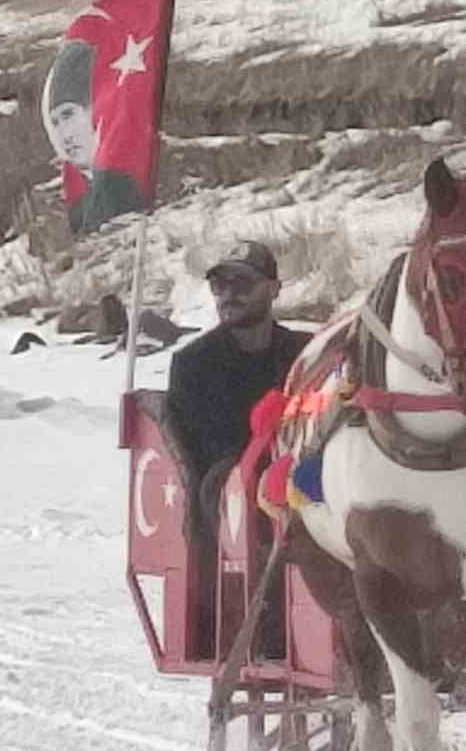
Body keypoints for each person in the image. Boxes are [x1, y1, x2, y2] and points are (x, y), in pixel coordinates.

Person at [167, 240, 312, 540]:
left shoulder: (304, 354)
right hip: (227, 497)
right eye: (219, 285)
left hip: (301, 475)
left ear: (273, 289)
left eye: (243, 284)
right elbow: (207, 452)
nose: (229, 295)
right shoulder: (193, 363)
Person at [42, 38, 148, 237]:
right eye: (56, 122)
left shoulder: (125, 187)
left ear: (96, 110)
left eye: (68, 115)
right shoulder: (81, 208)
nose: (64, 135)